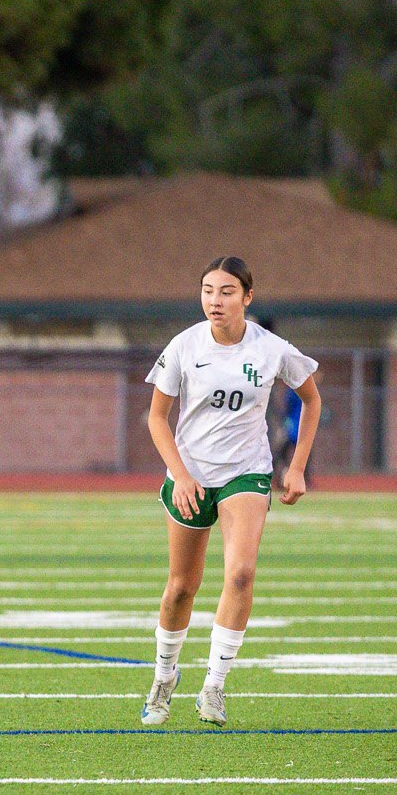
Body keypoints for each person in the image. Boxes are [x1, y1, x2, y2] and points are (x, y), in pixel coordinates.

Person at [142, 255, 322, 727]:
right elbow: (157, 418)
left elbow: (311, 399)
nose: (215, 300)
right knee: (182, 587)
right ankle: (163, 678)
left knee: (241, 574)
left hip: (247, 472)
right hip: (191, 474)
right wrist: (180, 474)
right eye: (207, 291)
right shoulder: (184, 346)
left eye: (226, 291)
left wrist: (297, 467)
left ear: (247, 297)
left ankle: (214, 687)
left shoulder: (271, 349)